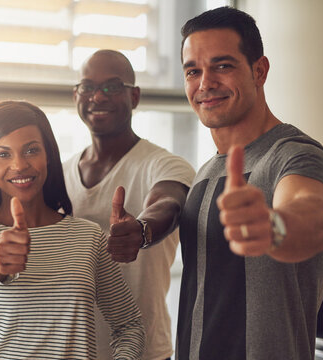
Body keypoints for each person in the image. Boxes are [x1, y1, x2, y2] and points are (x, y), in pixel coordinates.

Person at [177, 7, 323, 360]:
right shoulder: (206, 171)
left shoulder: (297, 155)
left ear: (259, 70)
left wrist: (274, 226)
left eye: (222, 66)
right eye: (193, 71)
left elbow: (312, 214)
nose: (205, 83)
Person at [0, 100, 146, 360]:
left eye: (31, 150)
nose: (19, 165)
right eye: (3, 154)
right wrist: (0, 261)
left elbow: (129, 325)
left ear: (48, 154)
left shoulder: (89, 236)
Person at [63, 49, 195, 360]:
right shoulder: (58, 173)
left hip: (143, 352)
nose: (98, 97)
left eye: (111, 86)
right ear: (76, 95)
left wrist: (142, 230)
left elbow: (169, 202)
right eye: (88, 87)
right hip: (72, 351)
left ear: (134, 96)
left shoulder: (166, 165)